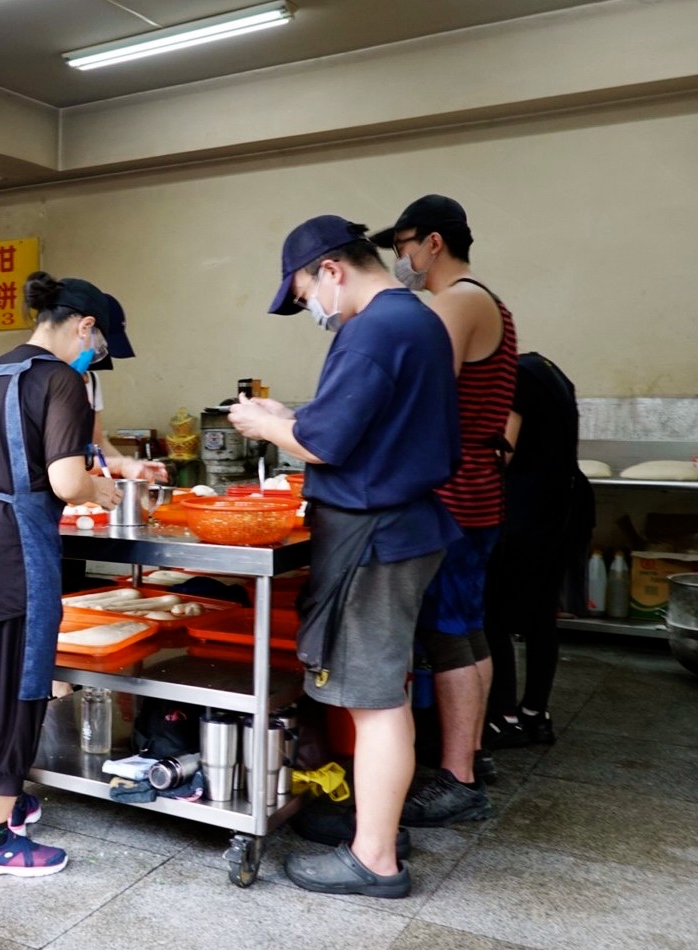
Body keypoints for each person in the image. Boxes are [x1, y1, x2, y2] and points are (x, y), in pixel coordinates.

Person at [229, 215, 460, 899]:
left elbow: (327, 444)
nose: (312, 310)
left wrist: (268, 423)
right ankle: (376, 823)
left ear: (332, 269)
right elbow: (363, 423)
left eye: (304, 295)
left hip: (376, 537)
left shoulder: (375, 329)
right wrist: (291, 415)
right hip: (406, 527)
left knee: (373, 698)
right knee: (382, 687)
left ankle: (375, 858)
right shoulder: (415, 321)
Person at [0, 271, 123, 878]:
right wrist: (104, 489)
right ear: (85, 326)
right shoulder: (63, 379)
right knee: (12, 683)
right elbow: (66, 482)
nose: (98, 359)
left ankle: (2, 798)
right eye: (102, 347)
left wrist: (102, 458)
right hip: (7, 549)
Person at [371, 195, 517, 822]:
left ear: (432, 242)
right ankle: (471, 755)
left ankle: (457, 780)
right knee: (468, 627)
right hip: (476, 486)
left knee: (449, 632)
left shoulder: (457, 301)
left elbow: (425, 395)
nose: (399, 259)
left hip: (453, 494)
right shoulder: (490, 301)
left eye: (402, 245)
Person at [484, 353, 594, 747]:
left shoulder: (514, 375)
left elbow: (503, 453)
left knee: (492, 613)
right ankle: (536, 714)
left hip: (526, 510)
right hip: (566, 506)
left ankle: (504, 718)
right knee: (541, 616)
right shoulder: (549, 370)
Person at [82, 294, 168, 484]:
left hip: (88, 491)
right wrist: (120, 466)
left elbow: (98, 443)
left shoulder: (92, 381)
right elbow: (55, 463)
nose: (99, 352)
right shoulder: (44, 382)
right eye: (100, 345)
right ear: (84, 329)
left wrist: (133, 467)